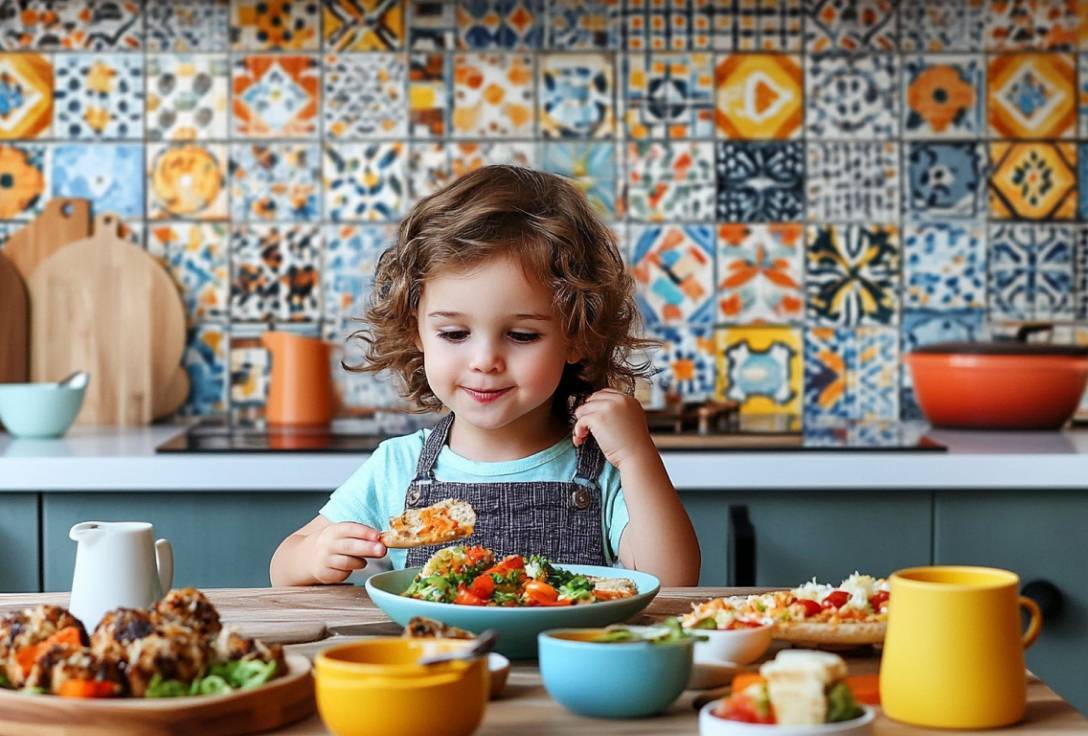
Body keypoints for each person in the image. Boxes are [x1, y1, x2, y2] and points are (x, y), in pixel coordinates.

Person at [270, 165, 701, 587]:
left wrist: (637, 456)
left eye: (521, 335)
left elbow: (673, 580)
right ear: (415, 329)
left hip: (568, 658)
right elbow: (283, 566)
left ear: (576, 337)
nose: (485, 360)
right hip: (440, 659)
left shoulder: (605, 464)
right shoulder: (396, 468)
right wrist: (316, 555)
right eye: (455, 333)